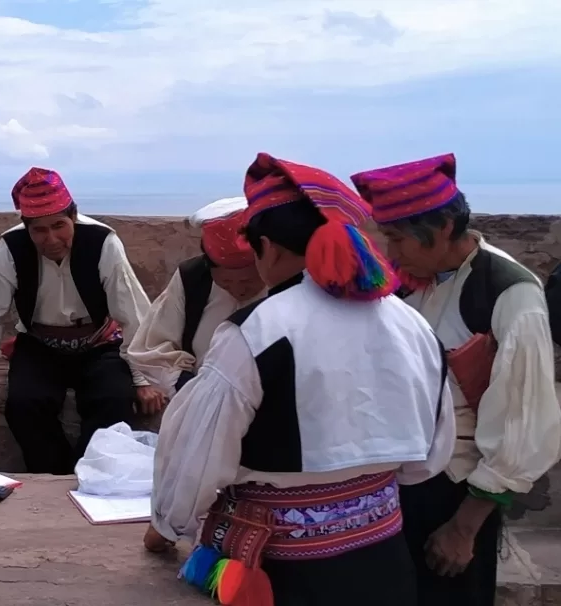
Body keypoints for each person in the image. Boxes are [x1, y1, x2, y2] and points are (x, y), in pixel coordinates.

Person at [145, 153, 456, 606]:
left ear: (267, 247)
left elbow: (196, 459)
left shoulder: (255, 332)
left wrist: (166, 524)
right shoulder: (413, 324)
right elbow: (429, 458)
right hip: (386, 561)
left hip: (283, 576)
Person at [351, 154, 561, 606]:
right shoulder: (409, 284)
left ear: (444, 226)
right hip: (395, 482)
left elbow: (524, 425)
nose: (391, 252)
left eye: (399, 238)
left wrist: (464, 527)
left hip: (455, 493)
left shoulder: (507, 293)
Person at [0, 167, 160, 475]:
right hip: (40, 346)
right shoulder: (12, 247)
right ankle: (57, 477)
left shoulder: (103, 243)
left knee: (113, 400)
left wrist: (141, 379)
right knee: (24, 404)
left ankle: (90, 475)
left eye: (59, 226)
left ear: (73, 216)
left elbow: (132, 310)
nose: (51, 239)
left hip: (98, 344)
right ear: (27, 227)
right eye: (39, 230)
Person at [127, 197, 265, 396]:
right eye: (226, 283)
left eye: (248, 281)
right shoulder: (192, 279)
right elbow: (151, 350)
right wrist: (191, 387)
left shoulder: (287, 286)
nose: (238, 290)